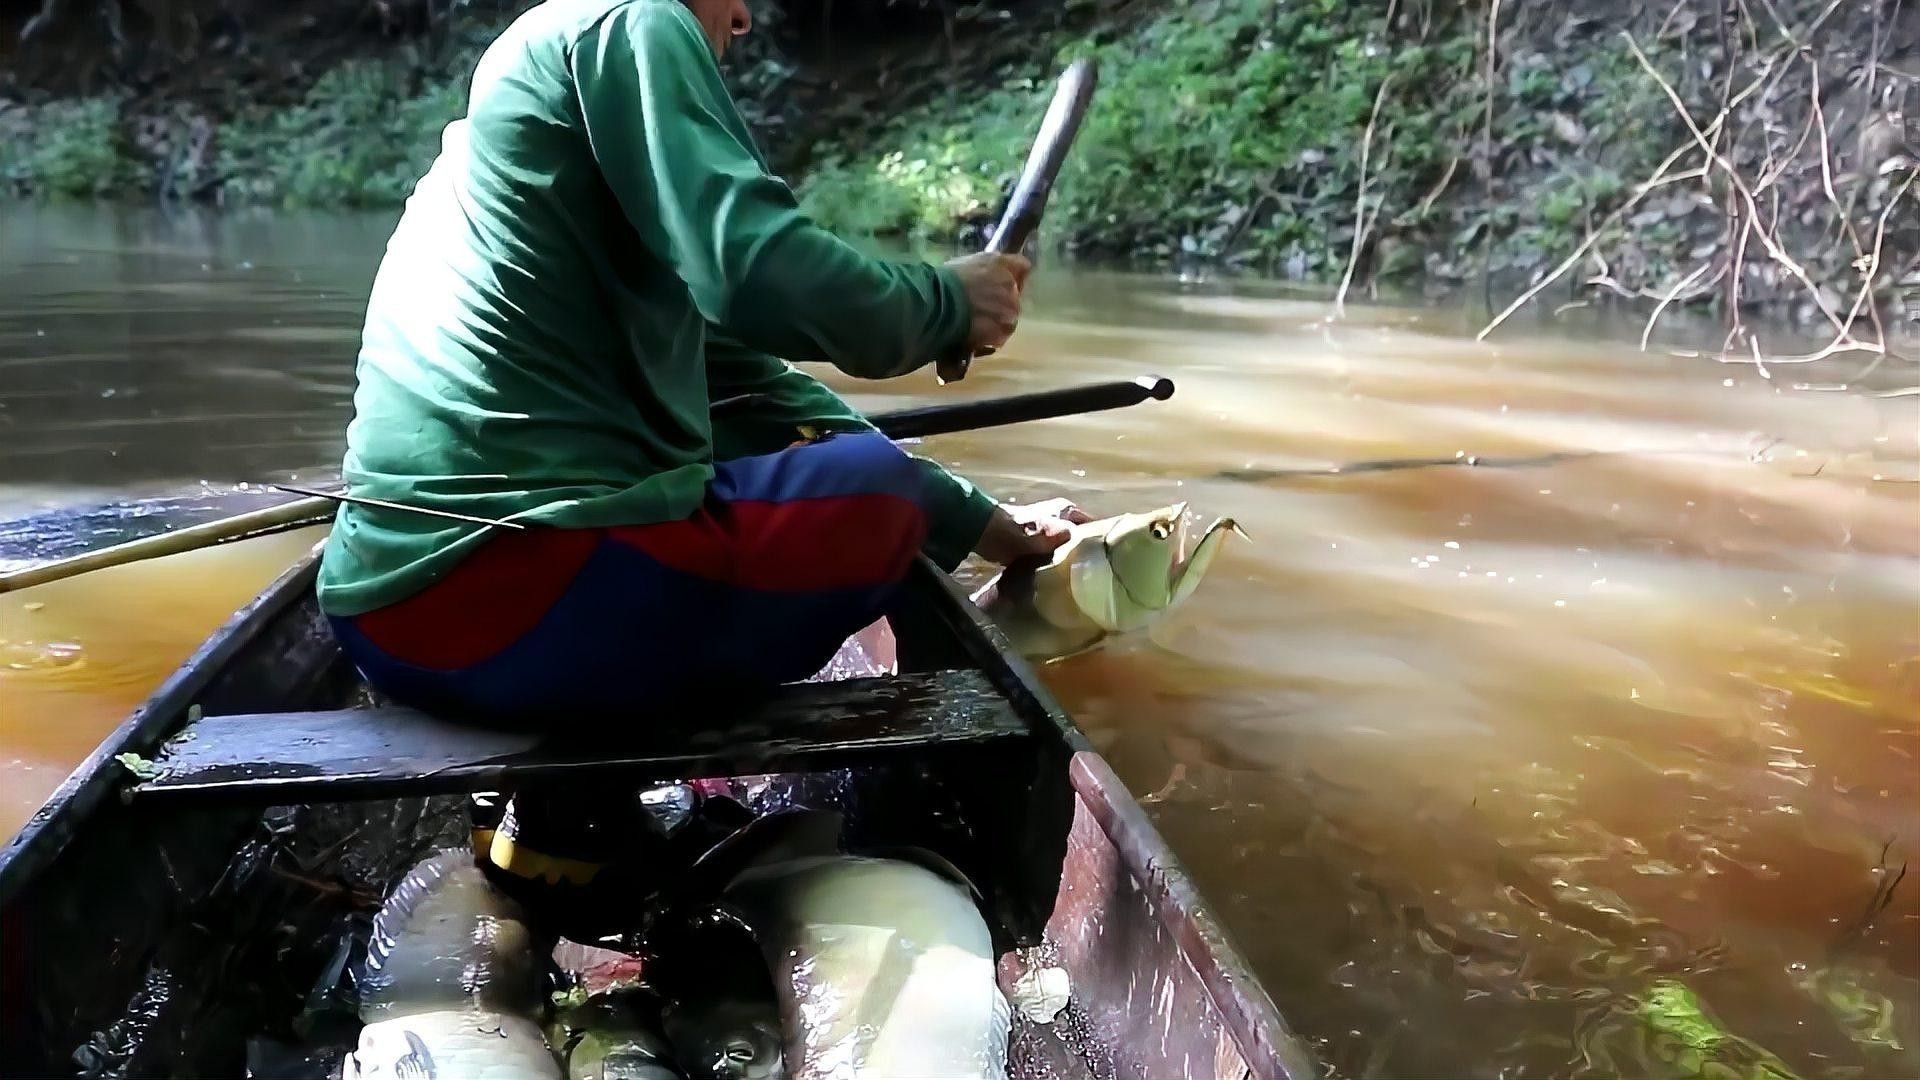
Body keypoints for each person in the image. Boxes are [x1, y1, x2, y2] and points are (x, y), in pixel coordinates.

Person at [315, 0, 1085, 922]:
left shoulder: (541, 76)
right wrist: (942, 305)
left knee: (865, 477)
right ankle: (583, 800)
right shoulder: (633, 20)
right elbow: (754, 268)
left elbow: (753, 390)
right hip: (514, 608)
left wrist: (980, 523)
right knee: (873, 500)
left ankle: (565, 799)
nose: (749, 18)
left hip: (388, 621)